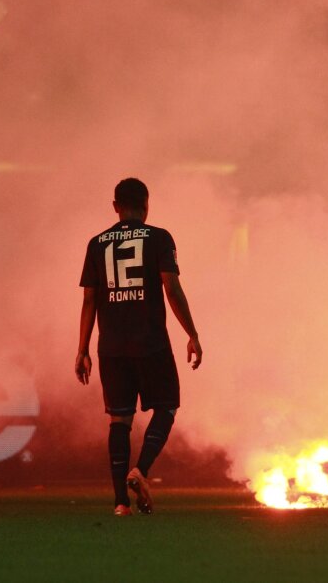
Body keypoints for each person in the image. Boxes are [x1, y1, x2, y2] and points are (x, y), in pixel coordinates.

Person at [76, 178, 203, 516]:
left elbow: (89, 299)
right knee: (167, 407)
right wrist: (192, 333)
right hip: (150, 344)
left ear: (115, 206)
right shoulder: (159, 237)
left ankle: (120, 503)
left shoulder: (96, 243)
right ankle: (141, 470)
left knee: (119, 421)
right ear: (146, 204)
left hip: (111, 347)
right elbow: (171, 288)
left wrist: (82, 349)